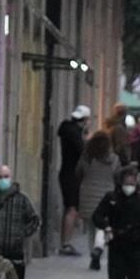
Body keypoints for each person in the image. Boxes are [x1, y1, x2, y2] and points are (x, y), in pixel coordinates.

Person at [92, 166, 140, 279]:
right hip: (117, 245)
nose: (130, 186)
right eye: (127, 183)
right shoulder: (112, 197)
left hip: (135, 245)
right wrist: (107, 227)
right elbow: (97, 216)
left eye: (132, 183)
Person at [78, 129, 121, 271]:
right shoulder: (114, 159)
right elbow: (118, 176)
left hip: (88, 193)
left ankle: (93, 254)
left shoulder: (87, 157)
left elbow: (78, 172)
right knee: (102, 225)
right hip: (106, 195)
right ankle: (98, 247)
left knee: (91, 226)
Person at [57, 104, 90, 255]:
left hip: (66, 173)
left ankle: (65, 242)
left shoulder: (67, 130)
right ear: (85, 120)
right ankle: (66, 244)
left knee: (70, 208)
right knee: (72, 209)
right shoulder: (76, 134)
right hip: (71, 175)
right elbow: (84, 152)